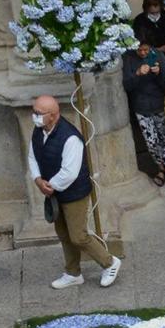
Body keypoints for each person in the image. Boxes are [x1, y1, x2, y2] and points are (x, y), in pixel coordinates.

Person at [28, 95, 122, 290]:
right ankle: (73, 273)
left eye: (38, 113)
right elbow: (32, 156)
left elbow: (69, 172)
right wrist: (37, 179)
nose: (34, 116)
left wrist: (49, 185)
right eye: (34, 111)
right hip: (53, 191)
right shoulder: (38, 132)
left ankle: (109, 262)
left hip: (73, 193)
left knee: (78, 235)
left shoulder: (70, 137)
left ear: (52, 116)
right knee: (63, 233)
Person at [123, 39, 165, 188]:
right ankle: (160, 169)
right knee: (151, 141)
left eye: (146, 50)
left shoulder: (158, 55)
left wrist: (158, 73)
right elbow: (126, 85)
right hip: (141, 106)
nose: (143, 53)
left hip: (159, 103)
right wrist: (137, 74)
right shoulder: (129, 58)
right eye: (140, 50)